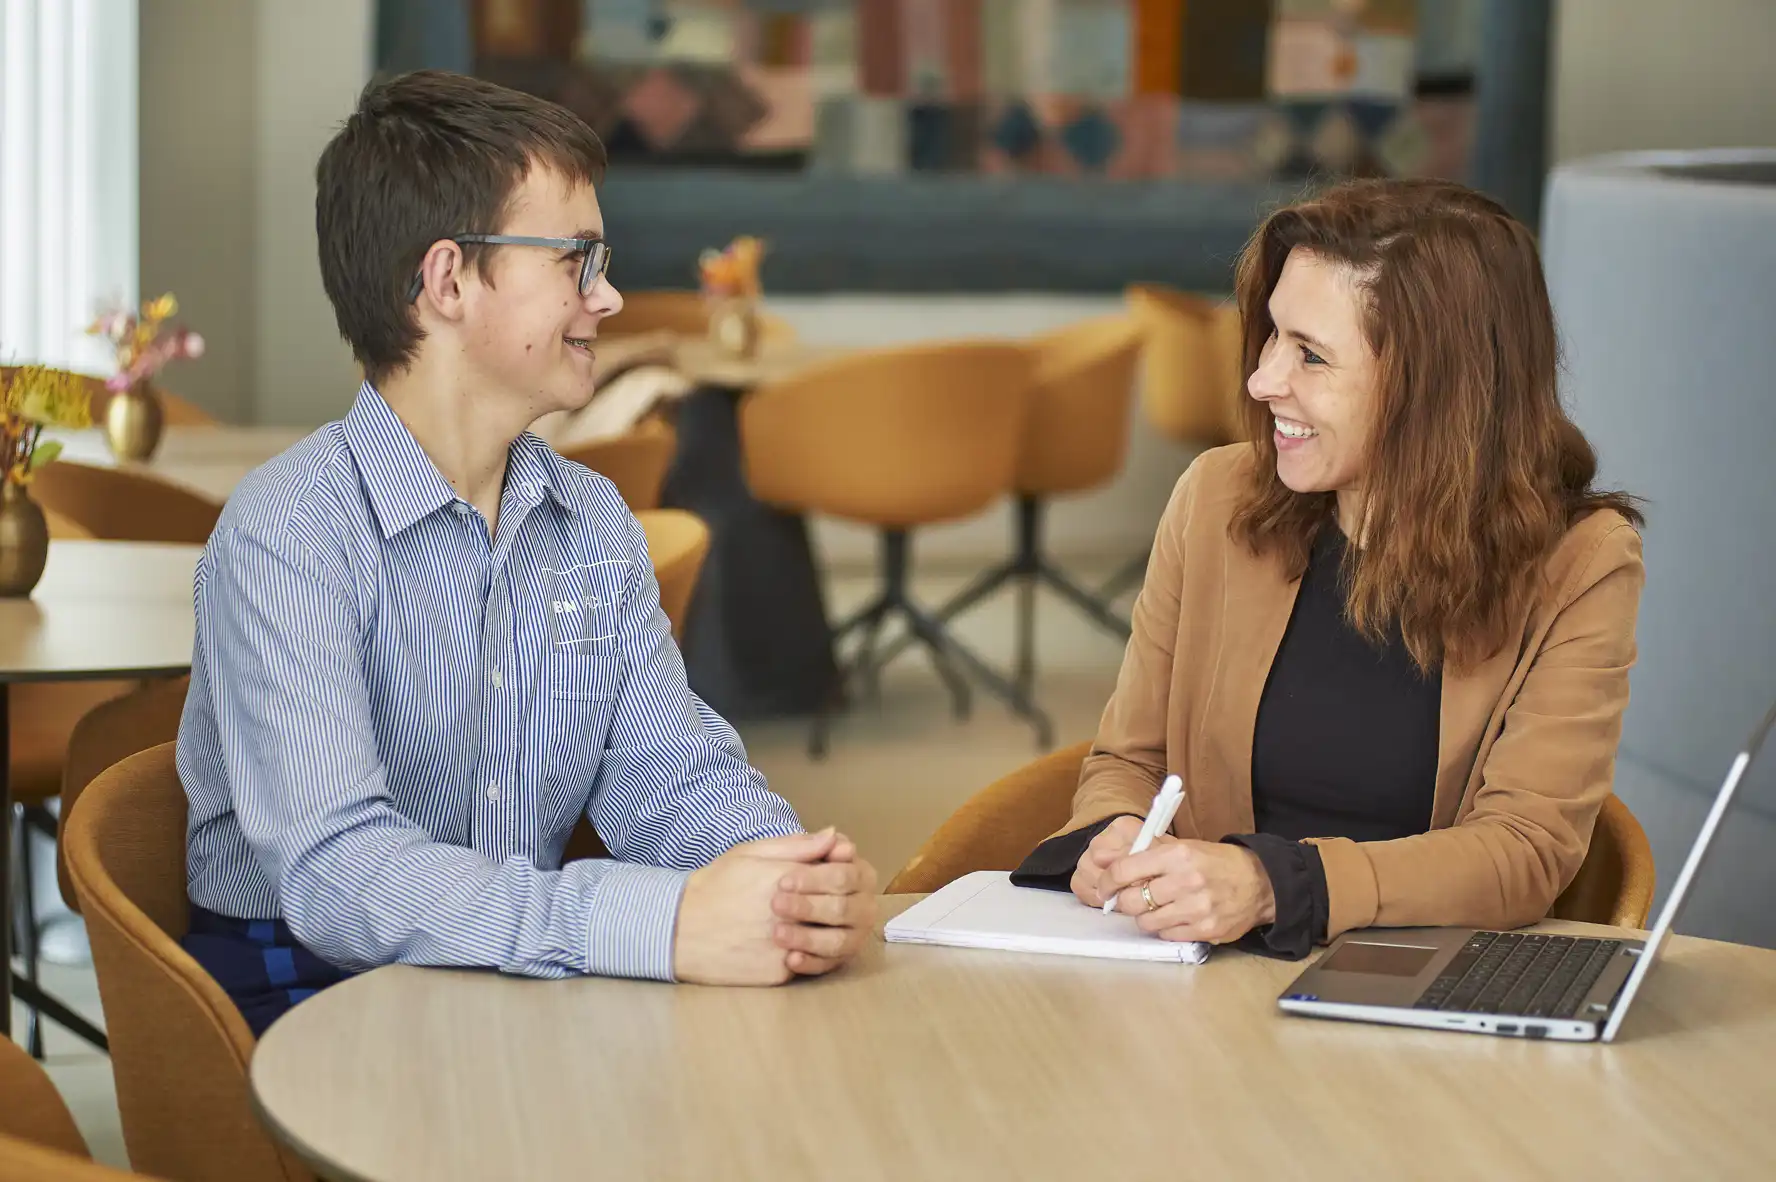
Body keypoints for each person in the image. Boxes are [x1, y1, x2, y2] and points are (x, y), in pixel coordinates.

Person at [177, 70, 875, 1036]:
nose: (611, 295)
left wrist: (790, 876)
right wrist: (658, 924)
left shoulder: (588, 518)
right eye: (577, 260)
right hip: (314, 1003)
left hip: (516, 973)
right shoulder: (288, 534)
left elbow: (668, 783)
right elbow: (341, 878)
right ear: (449, 280)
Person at [1013, 178, 1644, 958]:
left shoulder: (1581, 561)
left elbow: (1522, 854)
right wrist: (1112, 830)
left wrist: (1278, 884)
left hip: (1410, 999)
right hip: (1200, 982)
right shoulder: (1214, 499)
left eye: (1310, 355)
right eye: (1273, 336)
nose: (1262, 379)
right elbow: (1131, 759)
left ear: (1434, 389)